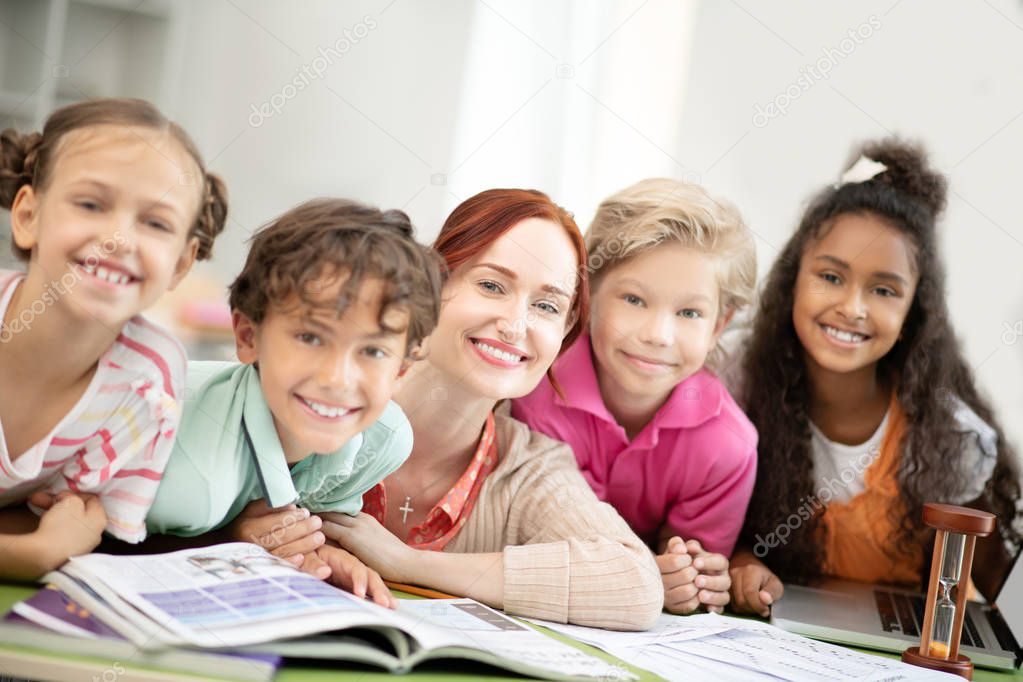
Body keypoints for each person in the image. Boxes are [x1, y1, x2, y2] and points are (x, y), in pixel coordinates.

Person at [314, 188, 663, 630]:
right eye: (492, 285)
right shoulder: (328, 395)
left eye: (546, 306)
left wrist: (405, 563)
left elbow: (635, 586)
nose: (516, 325)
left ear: (565, 330)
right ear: (432, 285)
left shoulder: (528, 468)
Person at [727, 139, 1022, 616]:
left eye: (884, 289)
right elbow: (710, 526)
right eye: (831, 276)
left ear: (913, 312)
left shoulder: (950, 437)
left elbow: (1000, 584)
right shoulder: (737, 384)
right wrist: (741, 563)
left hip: (905, 650)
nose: (853, 308)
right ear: (793, 279)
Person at [144, 199, 443, 607]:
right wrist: (226, 543)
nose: (337, 379)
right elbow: (78, 542)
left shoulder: (383, 439)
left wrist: (320, 554)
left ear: (402, 370)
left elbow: (300, 526)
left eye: (373, 351)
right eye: (310, 338)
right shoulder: (189, 472)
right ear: (249, 337)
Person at [0, 98, 227, 578]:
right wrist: (33, 555)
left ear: (182, 263)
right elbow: (48, 542)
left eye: (156, 223)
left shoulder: (149, 381)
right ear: (28, 216)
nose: (119, 239)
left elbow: (70, 523)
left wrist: (49, 539)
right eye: (90, 204)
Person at [513, 178, 758, 615]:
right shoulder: (534, 392)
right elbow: (543, 543)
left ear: (719, 325)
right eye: (634, 299)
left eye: (689, 313)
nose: (657, 335)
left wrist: (688, 579)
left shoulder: (728, 446)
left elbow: (689, 569)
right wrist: (644, 572)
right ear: (587, 296)